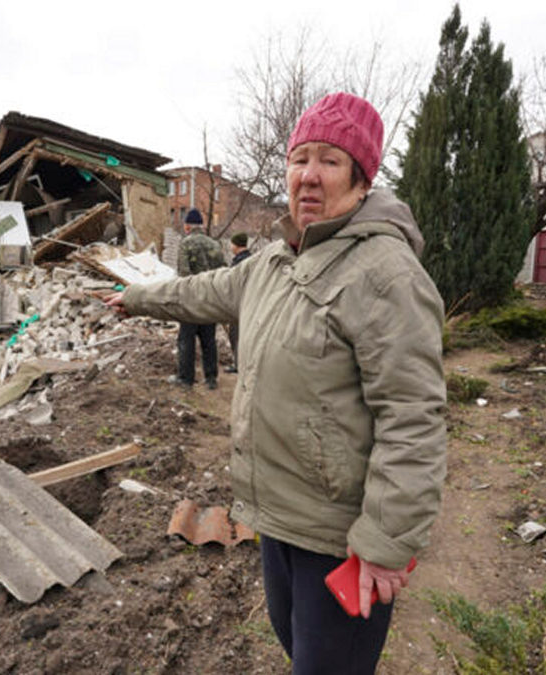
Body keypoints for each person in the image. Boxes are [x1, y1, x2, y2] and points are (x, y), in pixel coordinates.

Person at [107, 92, 446, 674]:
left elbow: (412, 418)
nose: (309, 176)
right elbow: (201, 292)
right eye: (300, 159)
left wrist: (386, 541)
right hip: (277, 516)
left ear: (361, 180)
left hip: (338, 534)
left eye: (330, 161)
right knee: (296, 647)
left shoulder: (386, 274)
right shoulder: (272, 262)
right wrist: (133, 298)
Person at [172, 208, 226, 389]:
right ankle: (211, 379)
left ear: (187, 226)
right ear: (201, 226)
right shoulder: (215, 244)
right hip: (210, 301)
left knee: (186, 340)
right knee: (208, 341)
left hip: (191, 301)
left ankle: (185, 379)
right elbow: (224, 273)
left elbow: (184, 275)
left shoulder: (185, 244)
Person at [223, 231, 251, 374]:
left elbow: (233, 283)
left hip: (239, 304)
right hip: (249, 304)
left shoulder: (240, 262)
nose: (230, 246)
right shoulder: (251, 258)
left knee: (237, 335)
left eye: (231, 244)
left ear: (236, 245)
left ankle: (239, 365)